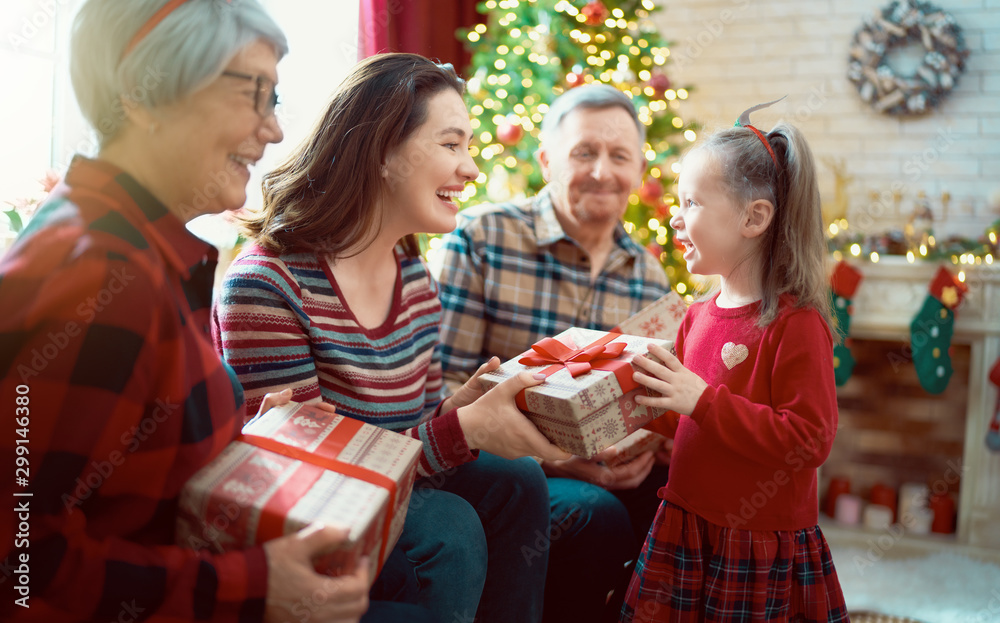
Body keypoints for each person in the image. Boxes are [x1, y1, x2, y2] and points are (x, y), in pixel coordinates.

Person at [0, 2, 431, 622]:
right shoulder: (101, 279)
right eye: (252, 94)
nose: (274, 130)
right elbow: (23, 561)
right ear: (143, 94)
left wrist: (246, 431)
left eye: (274, 100)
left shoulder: (132, 247)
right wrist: (253, 584)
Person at [212, 52, 572, 623]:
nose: (472, 168)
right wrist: (461, 432)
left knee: (519, 479)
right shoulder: (268, 284)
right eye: (451, 145)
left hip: (392, 478)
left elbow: (419, 422)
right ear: (381, 151)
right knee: (447, 531)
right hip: (317, 513)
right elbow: (310, 484)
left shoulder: (411, 272)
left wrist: (459, 410)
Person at [433, 83, 671, 622]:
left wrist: (650, 449)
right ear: (546, 160)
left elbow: (654, 403)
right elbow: (444, 391)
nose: (602, 171)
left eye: (619, 156)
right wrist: (567, 463)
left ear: (638, 167)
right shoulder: (481, 238)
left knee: (684, 500)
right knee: (596, 514)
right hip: (505, 470)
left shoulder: (649, 278)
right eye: (584, 152)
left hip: (614, 467)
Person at [620, 103, 849, 622]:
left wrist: (700, 400)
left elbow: (809, 439)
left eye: (692, 202)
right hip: (685, 523)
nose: (674, 217)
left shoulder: (796, 323)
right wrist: (624, 407)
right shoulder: (695, 316)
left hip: (753, 544)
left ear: (754, 218)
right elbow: (686, 418)